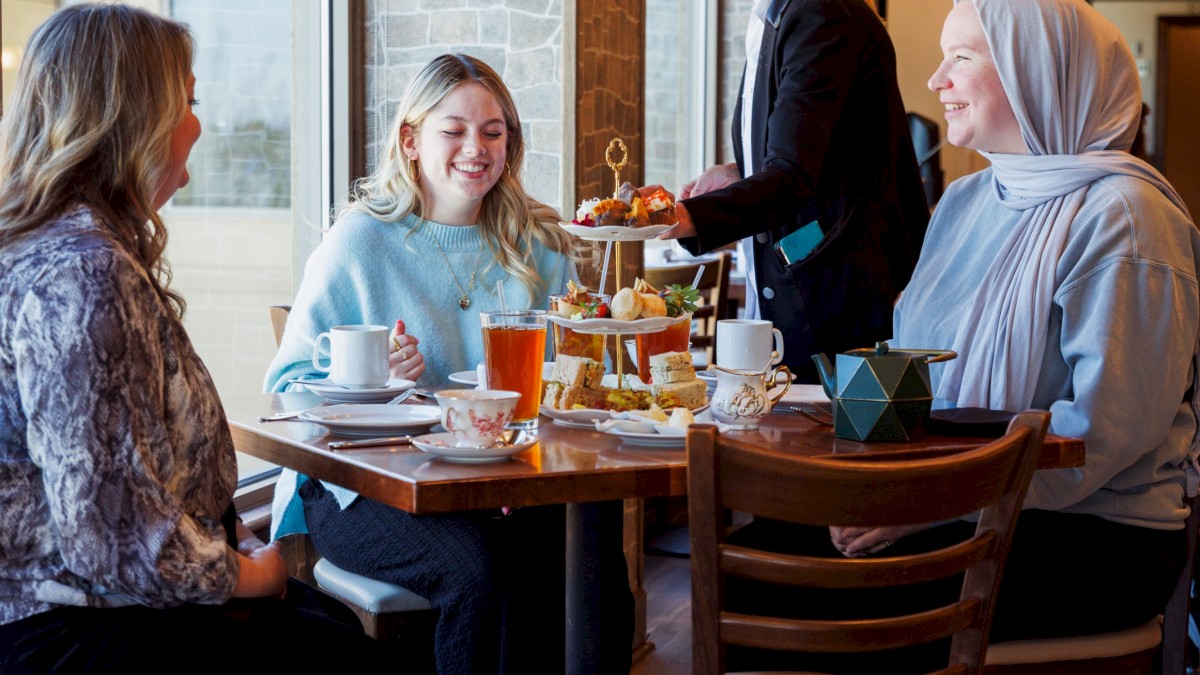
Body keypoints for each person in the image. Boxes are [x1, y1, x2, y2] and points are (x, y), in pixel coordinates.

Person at [722, 0, 1200, 671]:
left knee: (797, 596)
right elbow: (916, 372)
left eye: (962, 58)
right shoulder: (967, 202)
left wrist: (924, 505)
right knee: (746, 568)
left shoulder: (1127, 216)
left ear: (1036, 73)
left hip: (1096, 537)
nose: (935, 80)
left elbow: (1104, 435)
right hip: (963, 497)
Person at [0, 4, 386, 671]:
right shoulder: (85, 273)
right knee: (341, 648)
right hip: (68, 628)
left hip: (66, 606)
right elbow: (114, 537)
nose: (198, 126)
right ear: (133, 120)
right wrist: (249, 574)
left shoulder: (46, 249)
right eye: (187, 101)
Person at [264, 54, 633, 674]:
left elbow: (573, 379)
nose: (476, 148)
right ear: (410, 140)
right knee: (476, 566)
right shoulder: (360, 241)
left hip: (501, 479)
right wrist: (369, 379)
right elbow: (285, 389)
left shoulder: (537, 244)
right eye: (453, 130)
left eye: (493, 131)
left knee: (581, 543)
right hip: (363, 489)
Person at [647, 0, 930, 382]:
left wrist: (687, 216)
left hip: (834, 308)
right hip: (808, 299)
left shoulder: (822, 14)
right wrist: (740, 173)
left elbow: (792, 176)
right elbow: (813, 152)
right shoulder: (780, 16)